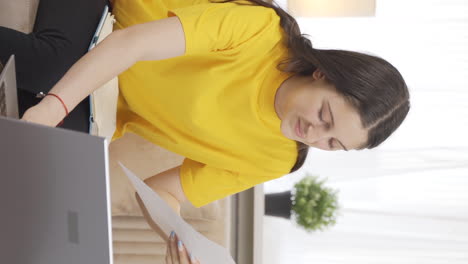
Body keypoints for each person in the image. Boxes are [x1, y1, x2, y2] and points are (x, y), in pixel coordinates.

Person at [2, 0, 410, 262]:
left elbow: (164, 191)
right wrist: (52, 108)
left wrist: (177, 239)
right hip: (111, 19)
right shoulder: (261, 33)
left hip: (102, 101)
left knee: (47, 178)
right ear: (323, 73)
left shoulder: (276, 157)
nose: (314, 134)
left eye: (332, 143)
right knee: (54, 67)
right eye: (325, 114)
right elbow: (130, 45)